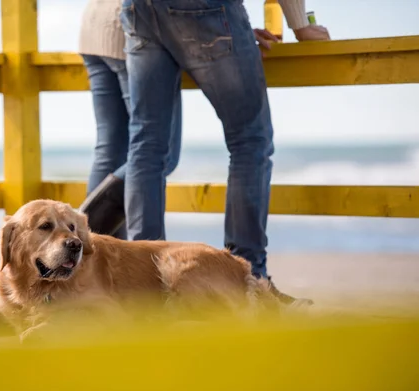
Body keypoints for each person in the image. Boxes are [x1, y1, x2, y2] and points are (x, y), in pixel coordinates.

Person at [119, 0, 330, 304]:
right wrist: (301, 25)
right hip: (205, 8)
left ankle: (142, 284)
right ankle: (249, 282)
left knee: (147, 144)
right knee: (250, 140)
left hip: (140, 9)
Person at [77, 0, 183, 239]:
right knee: (159, 153)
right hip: (132, 26)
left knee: (110, 152)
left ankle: (93, 249)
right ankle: (83, 234)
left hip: (94, 24)